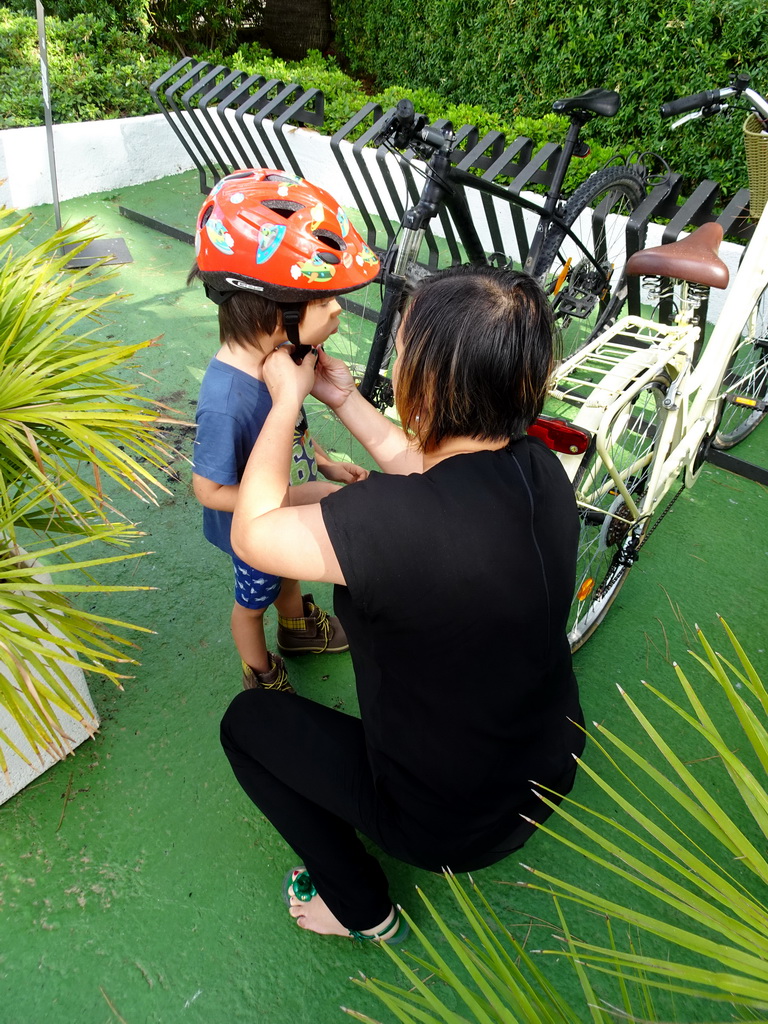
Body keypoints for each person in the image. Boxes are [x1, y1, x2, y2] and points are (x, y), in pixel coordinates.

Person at [220, 263, 585, 943]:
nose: (396, 357)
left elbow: (255, 531)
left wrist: (285, 403)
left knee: (247, 724)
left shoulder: (389, 523)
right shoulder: (537, 465)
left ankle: (362, 908)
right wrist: (342, 397)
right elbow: (428, 470)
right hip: (549, 767)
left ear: (433, 382)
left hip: (450, 824)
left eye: (404, 348)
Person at [190, 168, 380, 693]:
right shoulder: (227, 399)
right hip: (248, 530)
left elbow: (291, 429)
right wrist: (296, 496)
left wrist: (322, 460)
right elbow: (206, 489)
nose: (339, 309)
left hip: (286, 504)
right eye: (326, 300)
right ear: (279, 311)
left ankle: (295, 630)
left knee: (288, 574)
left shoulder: (284, 358)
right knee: (252, 602)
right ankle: (262, 672)